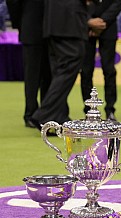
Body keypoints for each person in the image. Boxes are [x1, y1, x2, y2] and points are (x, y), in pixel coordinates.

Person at [29, 0, 88, 130]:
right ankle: (44, 114)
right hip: (69, 22)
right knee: (68, 67)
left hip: (52, 21)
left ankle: (57, 117)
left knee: (59, 69)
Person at [6, 0, 51, 128]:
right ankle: (34, 113)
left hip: (36, 27)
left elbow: (14, 3)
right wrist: (20, 23)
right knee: (37, 75)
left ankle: (38, 112)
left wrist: (20, 23)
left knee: (39, 75)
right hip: (41, 28)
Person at [80, 0, 121, 121]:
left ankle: (110, 110)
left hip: (108, 28)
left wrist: (102, 21)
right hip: (86, 28)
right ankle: (89, 110)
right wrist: (90, 21)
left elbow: (118, 3)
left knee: (109, 71)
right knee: (86, 71)